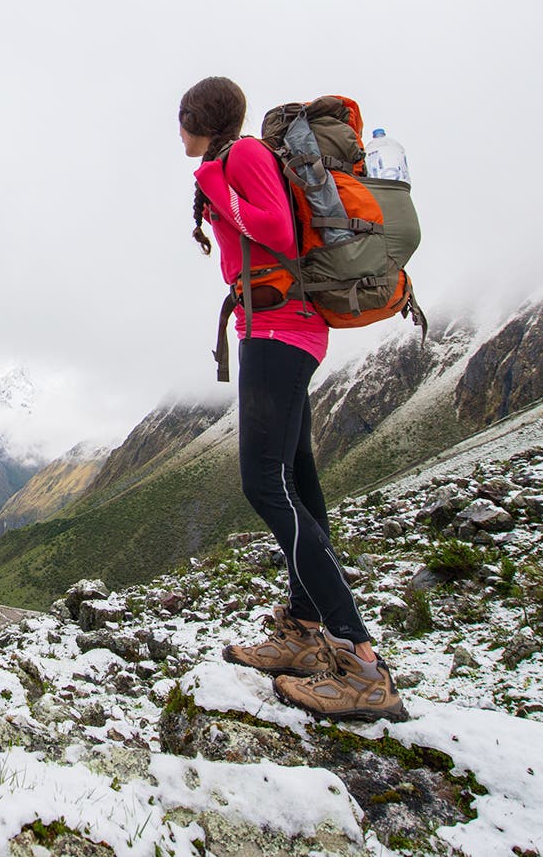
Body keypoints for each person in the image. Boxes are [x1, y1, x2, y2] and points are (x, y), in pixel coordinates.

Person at [179, 76, 408, 723]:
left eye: (184, 116)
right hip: (281, 326)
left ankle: (362, 664)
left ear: (202, 118)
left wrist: (217, 191)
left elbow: (276, 230)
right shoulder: (237, 161)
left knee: (262, 483)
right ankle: (306, 632)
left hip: (279, 327)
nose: (179, 128)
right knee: (300, 484)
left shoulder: (237, 159)